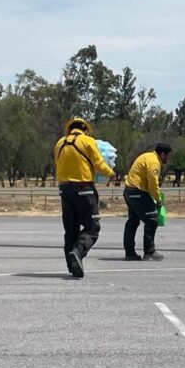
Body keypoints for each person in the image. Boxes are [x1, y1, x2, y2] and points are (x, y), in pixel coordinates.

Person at [54, 117, 115, 278]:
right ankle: (78, 252)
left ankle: (72, 265)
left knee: (71, 229)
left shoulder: (59, 143)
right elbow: (99, 163)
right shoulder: (88, 141)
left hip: (64, 189)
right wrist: (111, 174)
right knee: (92, 227)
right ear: (85, 129)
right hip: (84, 189)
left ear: (69, 129)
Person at [123, 142, 172, 261]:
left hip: (129, 191)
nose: (168, 159)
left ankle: (129, 253)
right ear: (163, 154)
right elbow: (153, 184)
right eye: (168, 156)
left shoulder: (147, 156)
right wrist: (158, 200)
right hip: (138, 192)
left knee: (133, 221)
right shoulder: (154, 162)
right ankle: (149, 252)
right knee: (152, 220)